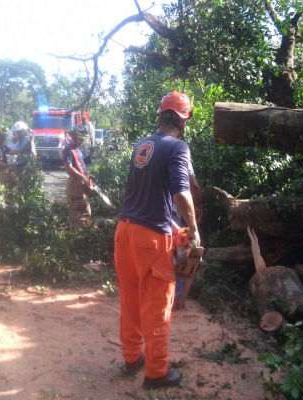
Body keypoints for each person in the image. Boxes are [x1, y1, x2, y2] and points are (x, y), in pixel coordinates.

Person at [113, 91, 199, 390]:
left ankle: (131, 357)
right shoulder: (177, 146)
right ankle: (156, 373)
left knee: (131, 299)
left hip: (125, 231)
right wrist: (194, 228)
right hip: (151, 238)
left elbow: (147, 194)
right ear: (184, 119)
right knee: (158, 305)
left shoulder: (143, 144)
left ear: (162, 114)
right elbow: (180, 192)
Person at [172, 158, 203, 310]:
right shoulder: (181, 153)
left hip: (162, 212)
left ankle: (173, 298)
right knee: (190, 253)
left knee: (171, 255)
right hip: (180, 208)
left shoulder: (156, 153)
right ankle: (179, 300)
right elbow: (194, 186)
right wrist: (194, 218)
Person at [62, 125, 92, 229]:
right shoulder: (68, 150)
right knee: (79, 215)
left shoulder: (77, 150)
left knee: (85, 212)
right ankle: (79, 238)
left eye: (83, 139)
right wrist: (83, 178)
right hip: (75, 186)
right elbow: (69, 168)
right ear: (73, 137)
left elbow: (80, 167)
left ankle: (81, 237)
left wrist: (88, 178)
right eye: (80, 139)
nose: (82, 142)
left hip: (81, 185)